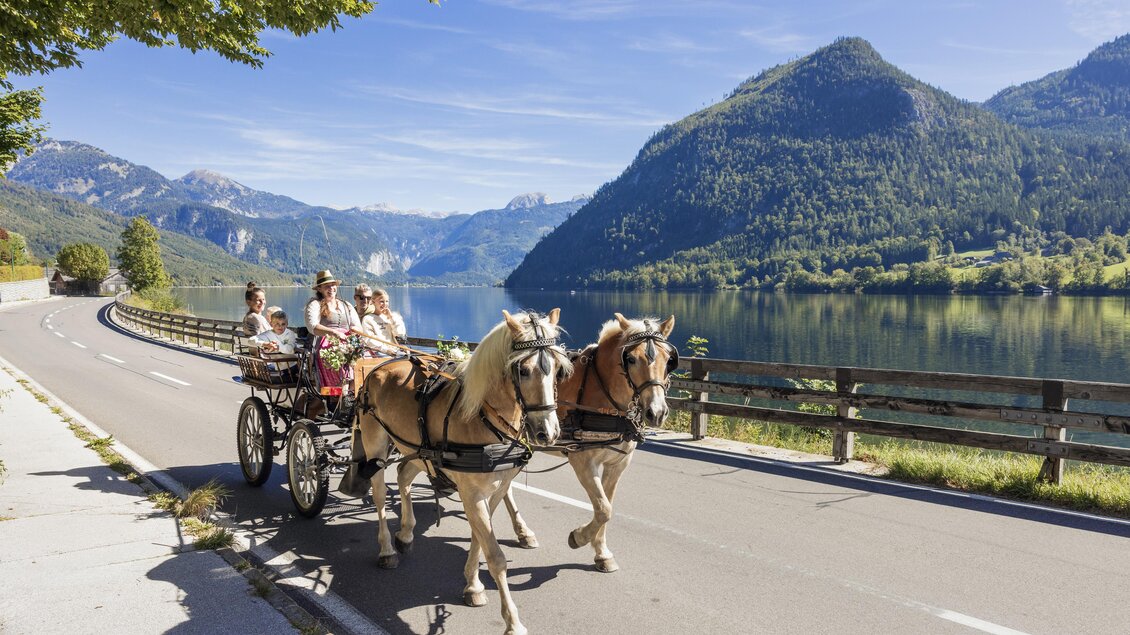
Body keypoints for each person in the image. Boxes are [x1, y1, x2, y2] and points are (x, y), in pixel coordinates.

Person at [304, 270, 361, 391]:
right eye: (327, 286)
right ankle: (341, 393)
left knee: (364, 359)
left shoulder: (346, 305)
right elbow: (312, 326)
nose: (331, 288)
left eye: (333, 285)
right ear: (319, 289)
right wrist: (333, 332)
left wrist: (356, 333)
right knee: (338, 361)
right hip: (326, 345)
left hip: (348, 343)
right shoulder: (315, 304)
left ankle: (354, 393)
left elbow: (356, 326)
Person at [252, 309, 298, 380]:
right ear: (271, 324)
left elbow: (290, 349)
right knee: (267, 374)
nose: (280, 326)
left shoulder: (290, 334)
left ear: (287, 324)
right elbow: (251, 340)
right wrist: (265, 343)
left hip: (293, 366)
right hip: (279, 368)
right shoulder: (268, 334)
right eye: (277, 324)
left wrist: (278, 347)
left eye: (283, 324)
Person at [360, 287, 406, 356]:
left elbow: (400, 334)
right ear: (373, 302)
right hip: (378, 352)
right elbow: (369, 339)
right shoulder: (368, 319)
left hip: (395, 350)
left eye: (387, 301)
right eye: (381, 301)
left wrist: (391, 317)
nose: (385, 304)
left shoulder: (393, 316)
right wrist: (386, 350)